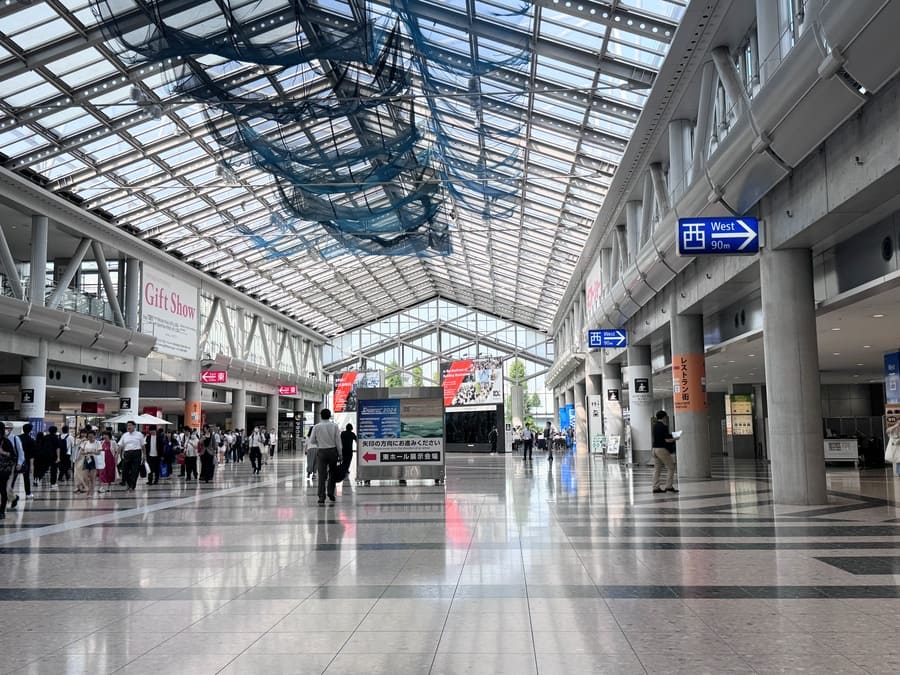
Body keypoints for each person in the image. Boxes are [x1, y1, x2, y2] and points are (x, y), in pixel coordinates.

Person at [309, 408, 341, 505]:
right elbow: (338, 441)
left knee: (322, 475)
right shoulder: (334, 426)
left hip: (322, 451)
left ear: (321, 416)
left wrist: (319, 442)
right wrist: (340, 454)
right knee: (332, 473)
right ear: (329, 416)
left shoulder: (316, 426)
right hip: (333, 451)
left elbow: (312, 440)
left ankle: (321, 497)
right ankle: (331, 493)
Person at [651, 410, 678, 494]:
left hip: (654, 449)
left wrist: (672, 435)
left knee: (657, 469)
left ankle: (655, 487)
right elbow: (667, 440)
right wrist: (675, 438)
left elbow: (663, 436)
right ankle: (669, 487)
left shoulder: (655, 426)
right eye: (666, 417)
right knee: (671, 467)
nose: (666, 419)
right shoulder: (663, 426)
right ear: (664, 417)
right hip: (661, 449)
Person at [119, 421, 145, 492]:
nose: (128, 427)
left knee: (135, 471)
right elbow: (120, 445)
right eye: (127, 425)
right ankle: (129, 484)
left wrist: (144, 455)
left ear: (134, 426)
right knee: (125, 470)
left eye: (130, 425)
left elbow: (143, 446)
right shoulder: (124, 435)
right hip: (127, 454)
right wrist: (117, 454)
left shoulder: (139, 434)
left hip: (136, 453)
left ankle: (132, 486)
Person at [0, 426, 16, 520]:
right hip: (4, 470)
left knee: (2, 490)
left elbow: (13, 455)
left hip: (3, 470)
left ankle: (2, 511)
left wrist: (3, 452)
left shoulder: (6, 441)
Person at [80, 429, 101, 496]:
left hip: (94, 459)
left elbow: (99, 452)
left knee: (92, 477)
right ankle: (88, 488)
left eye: (91, 436)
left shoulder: (97, 443)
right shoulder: (85, 443)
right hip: (87, 459)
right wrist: (85, 452)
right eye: (89, 436)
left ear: (94, 436)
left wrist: (93, 452)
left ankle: (92, 490)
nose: (90, 438)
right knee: (85, 477)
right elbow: (81, 452)